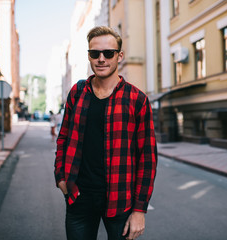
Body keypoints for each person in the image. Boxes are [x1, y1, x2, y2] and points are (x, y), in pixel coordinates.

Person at [54, 26, 157, 240]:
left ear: (119, 56)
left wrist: (139, 210)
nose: (101, 59)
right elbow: (63, 137)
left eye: (108, 53)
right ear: (89, 56)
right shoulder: (77, 92)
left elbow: (147, 158)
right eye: (95, 53)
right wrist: (61, 176)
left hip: (121, 202)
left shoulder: (137, 99)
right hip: (79, 198)